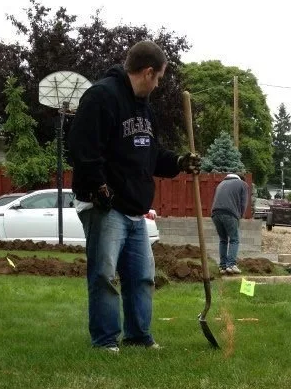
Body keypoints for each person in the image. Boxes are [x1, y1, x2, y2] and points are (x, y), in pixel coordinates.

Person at [67, 40, 201, 352]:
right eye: (158, 78)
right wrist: (99, 186)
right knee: (103, 275)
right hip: (105, 206)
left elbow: (152, 157)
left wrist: (180, 162)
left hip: (135, 210)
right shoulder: (101, 96)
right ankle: (105, 340)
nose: (157, 85)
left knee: (141, 277)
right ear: (148, 72)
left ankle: (138, 336)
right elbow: (81, 148)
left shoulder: (145, 110)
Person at [211, 173, 250, 275]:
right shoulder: (242, 184)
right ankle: (231, 265)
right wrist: (240, 216)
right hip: (230, 213)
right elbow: (243, 203)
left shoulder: (221, 184)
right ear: (241, 179)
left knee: (223, 240)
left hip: (215, 214)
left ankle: (222, 266)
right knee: (234, 239)